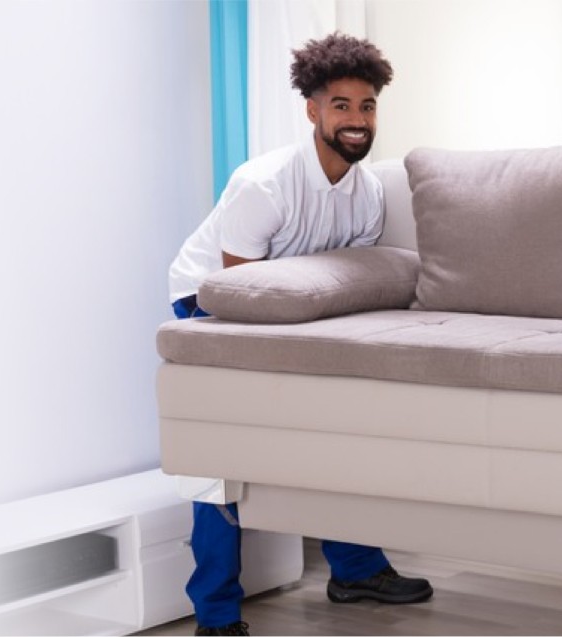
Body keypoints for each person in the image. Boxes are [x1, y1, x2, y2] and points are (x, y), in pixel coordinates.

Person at [164, 33, 431, 637]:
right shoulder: (265, 184)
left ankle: (355, 570)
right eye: (342, 106)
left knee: (340, 432)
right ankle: (215, 613)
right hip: (211, 306)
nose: (357, 120)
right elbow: (238, 294)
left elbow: (350, 285)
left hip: (295, 311)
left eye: (367, 107)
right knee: (219, 454)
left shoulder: (366, 195)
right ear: (313, 110)